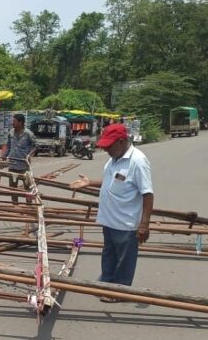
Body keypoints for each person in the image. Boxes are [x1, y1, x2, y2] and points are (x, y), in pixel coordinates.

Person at [70, 124, 154, 301]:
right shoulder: (113, 159)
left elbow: (147, 193)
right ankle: (106, 283)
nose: (106, 149)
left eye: (109, 146)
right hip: (109, 220)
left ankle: (120, 291)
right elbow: (112, 181)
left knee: (124, 259)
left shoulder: (137, 161)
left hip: (126, 223)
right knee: (109, 254)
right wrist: (90, 182)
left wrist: (144, 224)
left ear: (122, 142)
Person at [2, 114, 37, 203]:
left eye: (14, 121)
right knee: (13, 189)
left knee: (28, 189)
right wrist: (4, 155)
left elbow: (35, 146)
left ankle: (29, 206)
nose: (12, 123)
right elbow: (8, 146)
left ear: (20, 123)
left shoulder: (28, 134)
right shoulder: (11, 133)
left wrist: (29, 155)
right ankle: (15, 206)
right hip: (12, 165)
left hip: (24, 167)